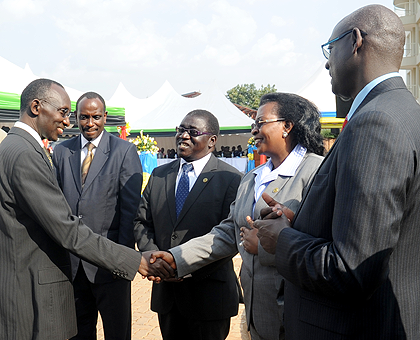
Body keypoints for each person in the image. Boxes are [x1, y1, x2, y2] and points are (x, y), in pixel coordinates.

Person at [253, 5, 420, 339]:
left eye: (330, 49)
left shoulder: (375, 123)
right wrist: (299, 219)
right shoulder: (405, 113)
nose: (328, 63)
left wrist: (281, 238)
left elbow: (351, 269)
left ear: (355, 41)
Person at [0, 78, 173, 340]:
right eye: (64, 113)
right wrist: (135, 260)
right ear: (36, 107)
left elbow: (129, 212)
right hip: (45, 277)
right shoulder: (27, 154)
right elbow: (65, 227)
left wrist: (122, 256)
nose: (69, 122)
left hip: (105, 266)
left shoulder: (15, 147)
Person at [150, 92, 324, 339]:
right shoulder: (253, 177)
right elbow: (226, 233)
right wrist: (174, 258)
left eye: (260, 123)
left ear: (287, 126)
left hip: (297, 313)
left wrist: (264, 246)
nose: (254, 131)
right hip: (259, 312)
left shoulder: (317, 172)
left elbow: (324, 243)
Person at [134, 109, 243, 340]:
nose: (184, 135)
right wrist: (154, 259)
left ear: (212, 141)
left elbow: (230, 235)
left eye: (193, 132)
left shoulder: (231, 179)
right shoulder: (159, 174)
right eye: (181, 129)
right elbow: (142, 221)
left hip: (209, 295)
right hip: (168, 295)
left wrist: (182, 267)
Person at [53, 92, 142, 340]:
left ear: (105, 118)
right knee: (78, 332)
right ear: (75, 118)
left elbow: (129, 210)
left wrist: (122, 260)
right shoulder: (61, 152)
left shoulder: (124, 151)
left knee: (117, 331)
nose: (89, 123)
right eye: (83, 117)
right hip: (73, 264)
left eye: (95, 117)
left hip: (110, 263)